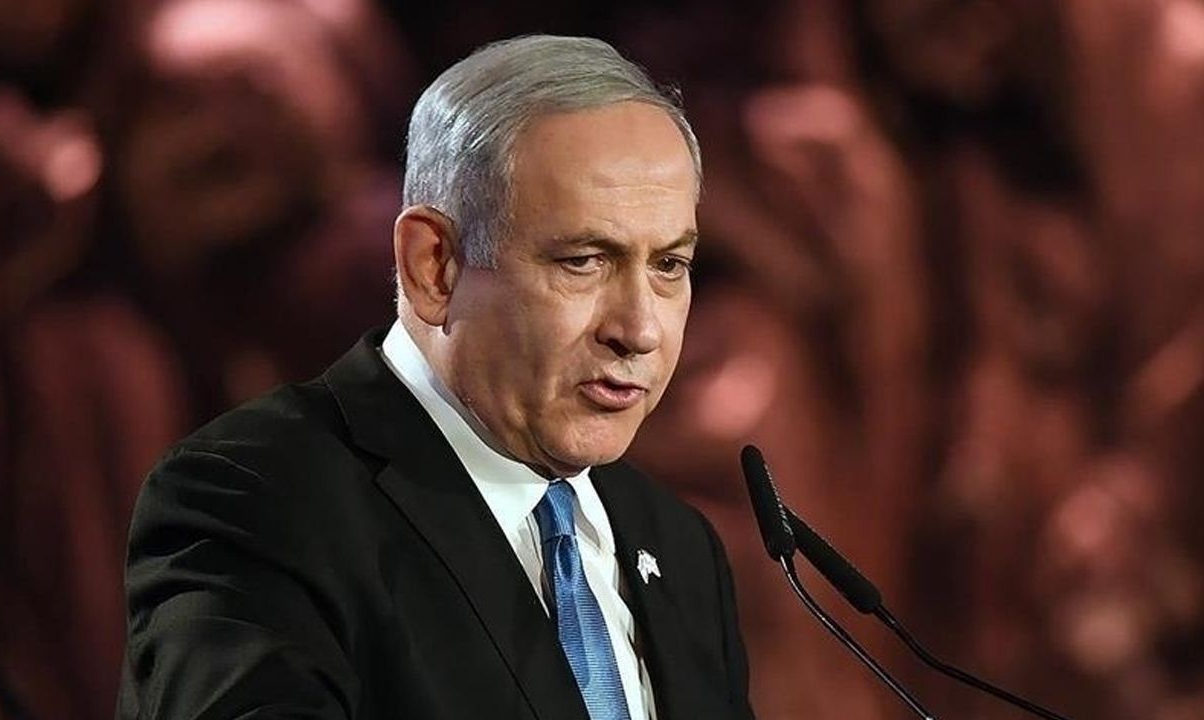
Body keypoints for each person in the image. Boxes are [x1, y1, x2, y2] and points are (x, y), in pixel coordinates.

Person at [118, 34, 755, 720]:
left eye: (669, 266)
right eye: (584, 261)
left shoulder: (680, 548)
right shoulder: (254, 501)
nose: (639, 329)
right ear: (434, 266)